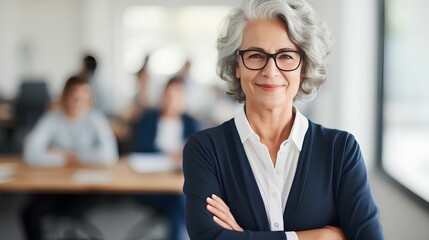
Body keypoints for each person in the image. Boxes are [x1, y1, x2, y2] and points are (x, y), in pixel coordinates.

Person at [182, 0, 384, 240]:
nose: (270, 70)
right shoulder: (205, 149)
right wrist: (318, 237)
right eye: (256, 55)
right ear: (237, 65)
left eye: (286, 56)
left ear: (304, 65)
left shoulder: (340, 150)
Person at [22, 75, 118, 240]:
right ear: (64, 97)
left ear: (90, 100)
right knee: (29, 213)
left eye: (83, 98)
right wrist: (65, 159)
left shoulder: (96, 119)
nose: (78, 103)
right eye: (74, 97)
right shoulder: (52, 118)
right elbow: (30, 152)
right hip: (53, 187)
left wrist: (69, 155)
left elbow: (110, 155)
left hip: (85, 191)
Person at [133, 76, 199, 240]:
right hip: (151, 184)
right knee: (180, 203)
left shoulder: (191, 122)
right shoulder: (148, 118)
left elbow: (199, 154)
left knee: (178, 201)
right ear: (162, 96)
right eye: (168, 95)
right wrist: (167, 155)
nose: (171, 101)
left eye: (176, 96)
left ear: (184, 99)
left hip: (178, 183)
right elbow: (141, 149)